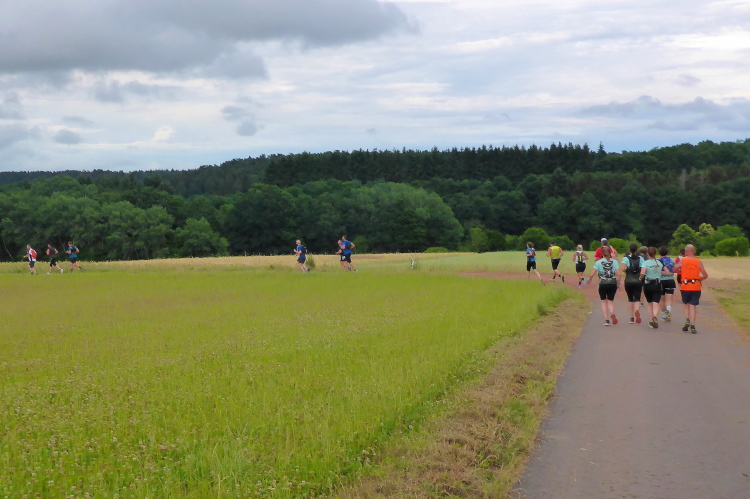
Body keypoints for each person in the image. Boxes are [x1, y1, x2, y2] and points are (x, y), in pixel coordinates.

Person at [672, 244, 708, 334]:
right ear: (694, 251)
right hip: (696, 286)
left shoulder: (683, 260)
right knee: (693, 305)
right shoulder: (698, 261)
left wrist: (680, 270)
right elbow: (705, 275)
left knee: (686, 304)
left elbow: (674, 269)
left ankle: (687, 319)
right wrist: (700, 278)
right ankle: (693, 325)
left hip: (685, 286)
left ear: (686, 252)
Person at [589, 246, 620, 326]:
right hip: (613, 282)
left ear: (602, 253)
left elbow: (592, 274)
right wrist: (618, 284)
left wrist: (590, 279)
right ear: (610, 253)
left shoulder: (598, 262)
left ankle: (606, 320)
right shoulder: (615, 262)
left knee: (603, 301)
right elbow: (619, 274)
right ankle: (612, 313)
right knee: (610, 301)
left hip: (603, 283)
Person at [642, 247, 669, 329]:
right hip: (657, 283)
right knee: (656, 302)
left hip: (648, 284)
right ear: (655, 253)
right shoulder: (659, 263)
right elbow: (667, 272)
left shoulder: (645, 263)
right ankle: (655, 315)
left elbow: (642, 273)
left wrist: (641, 277)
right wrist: (659, 272)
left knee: (650, 303)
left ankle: (651, 320)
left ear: (647, 254)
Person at [620, 243, 644, 324]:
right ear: (637, 249)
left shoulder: (626, 258)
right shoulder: (641, 258)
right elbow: (643, 270)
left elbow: (623, 269)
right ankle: (637, 310)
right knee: (637, 298)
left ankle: (631, 318)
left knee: (630, 299)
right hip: (638, 280)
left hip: (629, 280)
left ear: (629, 249)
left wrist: (627, 269)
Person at [658, 246, 676, 322]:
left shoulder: (658, 261)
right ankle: (668, 310)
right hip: (670, 280)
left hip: (661, 281)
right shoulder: (671, 260)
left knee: (662, 299)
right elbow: (675, 269)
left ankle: (664, 315)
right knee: (669, 298)